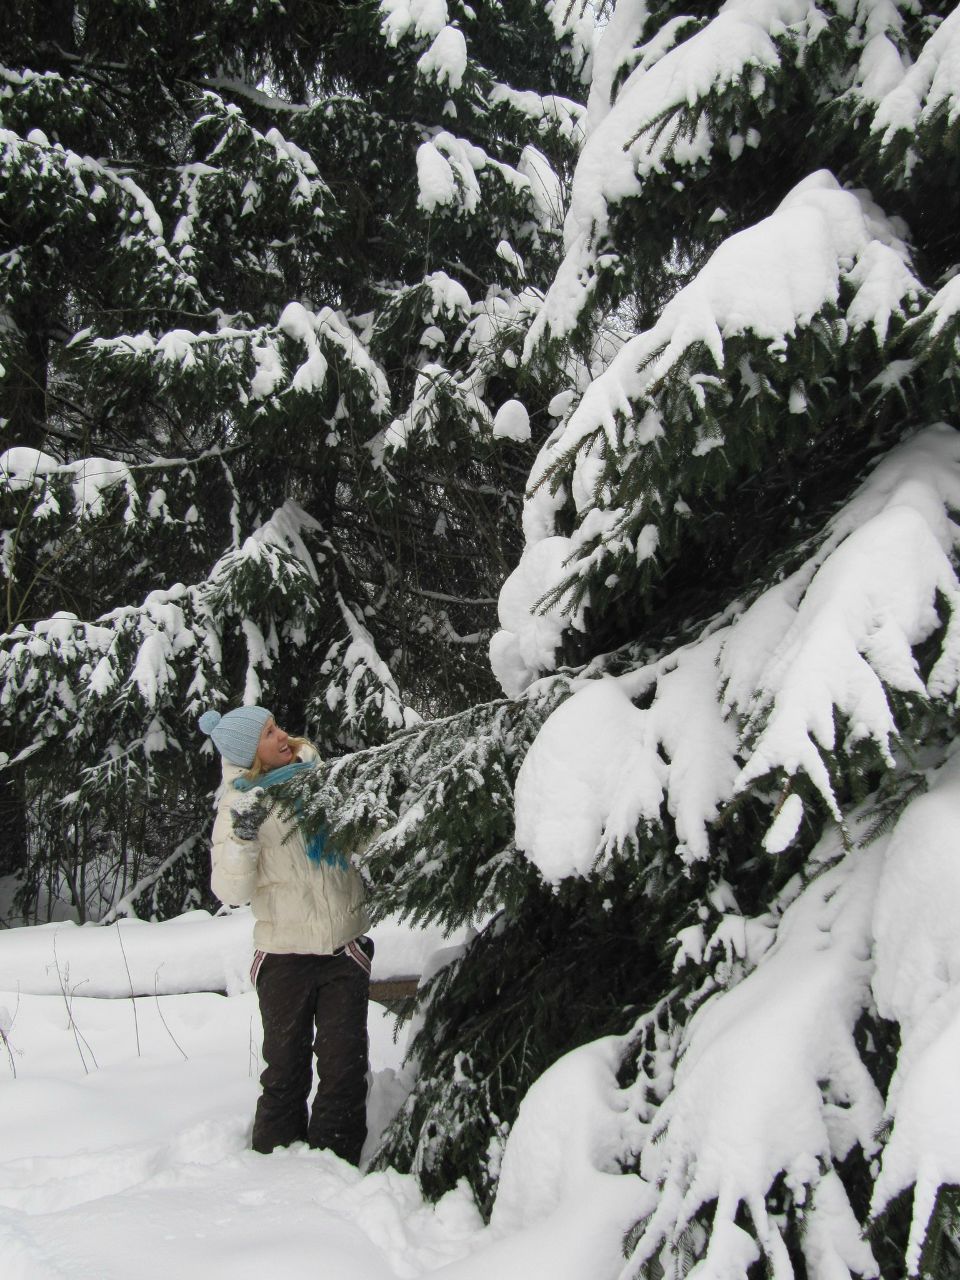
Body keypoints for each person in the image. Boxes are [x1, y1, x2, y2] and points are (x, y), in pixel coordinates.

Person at [199, 704, 372, 1164]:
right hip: (283, 957)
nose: (281, 736)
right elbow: (230, 891)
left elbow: (361, 842)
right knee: (284, 1072)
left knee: (344, 1070)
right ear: (248, 755)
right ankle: (273, 1170)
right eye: (267, 733)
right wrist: (242, 838)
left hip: (342, 946)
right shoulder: (238, 805)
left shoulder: (318, 776)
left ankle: (336, 1168)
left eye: (277, 725)